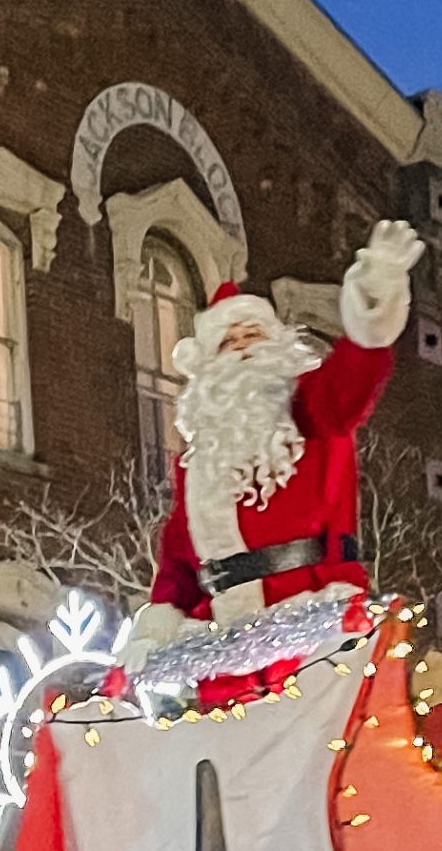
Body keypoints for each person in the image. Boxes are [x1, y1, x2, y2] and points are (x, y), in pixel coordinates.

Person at [130, 218, 426, 655]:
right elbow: (177, 569)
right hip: (226, 641)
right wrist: (155, 631)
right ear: (209, 367)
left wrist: (373, 302)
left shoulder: (312, 410)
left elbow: (354, 375)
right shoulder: (200, 465)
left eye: (254, 334)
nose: (245, 347)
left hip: (317, 627)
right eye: (230, 342)